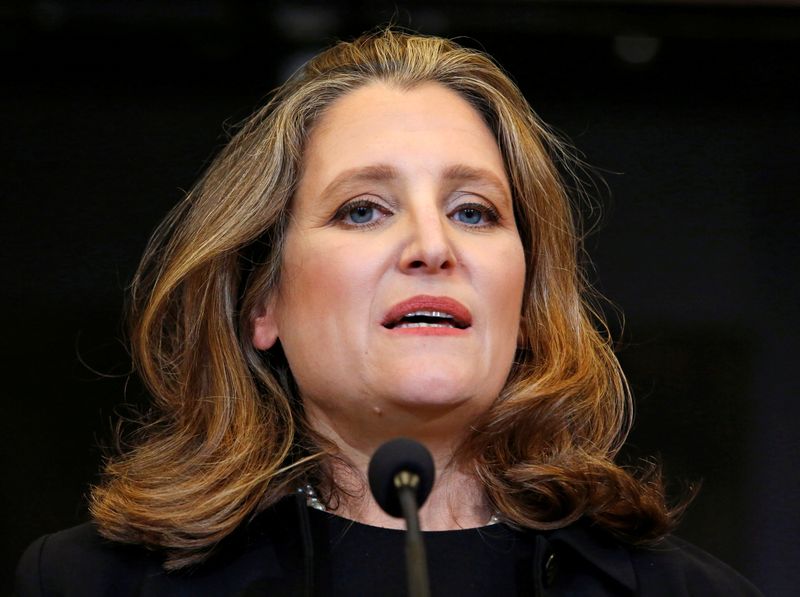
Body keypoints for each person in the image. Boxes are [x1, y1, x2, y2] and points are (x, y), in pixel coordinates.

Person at [16, 28, 761, 596]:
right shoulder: (90, 581)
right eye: (364, 208)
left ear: (528, 302)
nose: (432, 246)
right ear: (262, 302)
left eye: (473, 212)